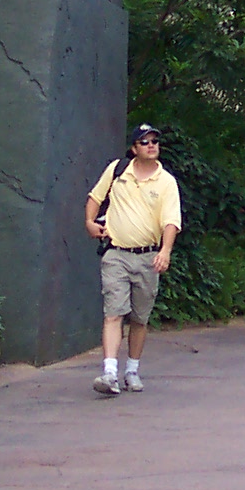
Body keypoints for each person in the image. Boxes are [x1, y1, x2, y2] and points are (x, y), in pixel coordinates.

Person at [86, 124, 182, 395]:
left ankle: (132, 370)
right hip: (116, 253)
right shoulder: (118, 171)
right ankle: (109, 373)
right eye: (144, 142)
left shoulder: (166, 182)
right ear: (134, 148)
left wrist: (165, 251)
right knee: (114, 313)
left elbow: (171, 221)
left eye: (155, 141)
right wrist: (89, 223)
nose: (151, 145)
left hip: (147, 257)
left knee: (140, 318)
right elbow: (95, 197)